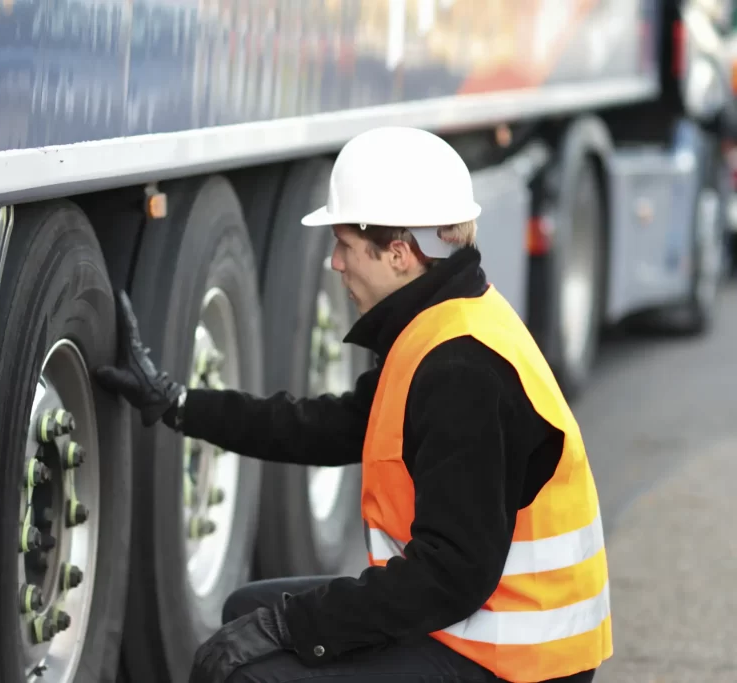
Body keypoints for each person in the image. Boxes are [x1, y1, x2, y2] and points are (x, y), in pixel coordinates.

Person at [92, 126, 612, 683]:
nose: (336, 264)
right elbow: (323, 426)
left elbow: (452, 575)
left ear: (399, 253)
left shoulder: (464, 371)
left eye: (344, 245)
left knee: (248, 674)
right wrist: (179, 404)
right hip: (477, 625)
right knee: (245, 613)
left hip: (514, 660)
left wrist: (295, 628)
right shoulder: (438, 327)